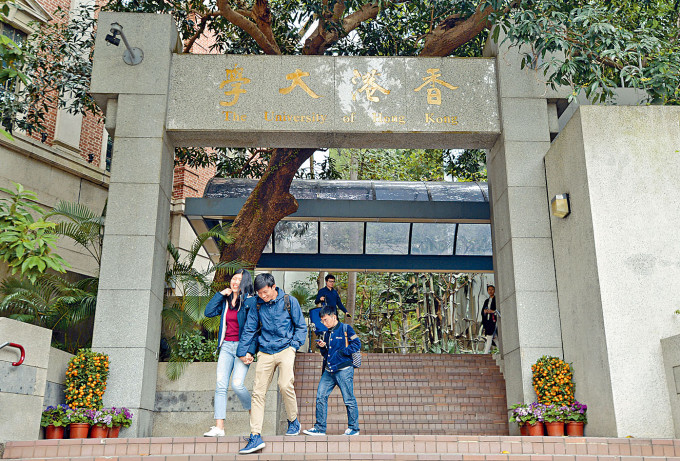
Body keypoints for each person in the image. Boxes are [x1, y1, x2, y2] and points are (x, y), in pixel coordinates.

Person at [237, 273, 307, 454]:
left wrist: (294, 346)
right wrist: (242, 352)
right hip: (265, 351)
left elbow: (301, 326)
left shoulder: (289, 301)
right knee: (258, 393)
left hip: (285, 349)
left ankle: (293, 421)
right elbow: (250, 329)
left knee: (284, 384)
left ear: (273, 287)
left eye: (265, 292)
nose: (262, 296)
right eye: (259, 293)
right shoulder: (257, 304)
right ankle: (255, 436)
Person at [202, 269, 256, 437]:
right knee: (220, 385)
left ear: (245, 282)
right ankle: (219, 427)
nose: (235, 282)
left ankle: (253, 412)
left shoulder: (250, 301)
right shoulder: (225, 300)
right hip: (226, 346)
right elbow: (208, 312)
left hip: (242, 348)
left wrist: (250, 351)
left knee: (237, 384)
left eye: (239, 279)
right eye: (234, 278)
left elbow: (254, 328)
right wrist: (220, 294)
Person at [303, 305, 361, 436]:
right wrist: (323, 347)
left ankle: (354, 428)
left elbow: (357, 344)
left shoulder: (346, 328)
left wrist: (342, 352)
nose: (324, 323)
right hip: (329, 370)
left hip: (344, 369)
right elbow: (326, 354)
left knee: (348, 399)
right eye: (322, 320)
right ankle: (320, 428)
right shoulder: (326, 333)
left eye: (326, 320)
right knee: (320, 397)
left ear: (334, 317)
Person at [481, 284, 497, 354]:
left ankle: (486, 353)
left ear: (494, 291)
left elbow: (498, 310)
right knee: (493, 337)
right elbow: (482, 311)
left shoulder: (496, 299)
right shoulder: (486, 301)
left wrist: (492, 311)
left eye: (492, 289)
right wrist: (485, 312)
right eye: (489, 290)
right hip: (488, 320)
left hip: (494, 320)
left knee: (490, 336)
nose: (490, 291)